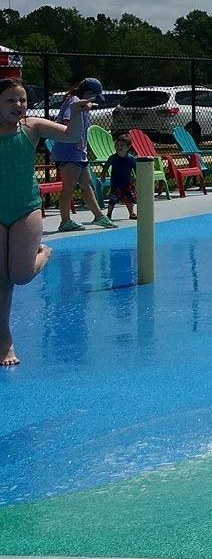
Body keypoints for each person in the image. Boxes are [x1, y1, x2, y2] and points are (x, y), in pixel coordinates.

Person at [0, 76, 91, 365]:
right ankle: (4, 338)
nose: (18, 105)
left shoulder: (32, 127)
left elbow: (71, 136)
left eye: (22, 100)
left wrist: (75, 113)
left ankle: (44, 253)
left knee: (21, 275)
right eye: (10, 100)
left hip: (25, 209)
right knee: (2, 279)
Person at [51, 78, 113, 231]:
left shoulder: (80, 102)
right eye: (93, 95)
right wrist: (77, 138)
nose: (94, 99)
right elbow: (66, 122)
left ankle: (99, 216)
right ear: (88, 92)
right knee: (69, 187)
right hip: (68, 153)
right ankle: (65, 221)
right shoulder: (73, 101)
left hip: (78, 153)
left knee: (87, 184)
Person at [101, 132, 138, 221]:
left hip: (127, 183)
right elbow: (106, 166)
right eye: (117, 145)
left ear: (128, 147)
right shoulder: (113, 158)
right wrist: (103, 175)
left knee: (129, 199)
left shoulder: (131, 159)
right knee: (112, 199)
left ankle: (131, 213)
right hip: (115, 183)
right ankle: (109, 214)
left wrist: (137, 179)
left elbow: (136, 169)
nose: (119, 147)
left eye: (122, 145)